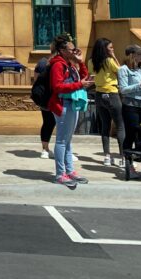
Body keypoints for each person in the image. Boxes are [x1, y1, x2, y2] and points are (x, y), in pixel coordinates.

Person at [48, 35, 92, 189]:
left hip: (71, 103)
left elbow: (84, 77)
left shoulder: (69, 64)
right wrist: (79, 85)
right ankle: (60, 174)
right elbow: (57, 87)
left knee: (67, 140)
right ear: (62, 50)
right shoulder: (58, 65)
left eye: (75, 49)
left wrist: (80, 61)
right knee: (61, 140)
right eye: (71, 49)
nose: (74, 51)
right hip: (63, 104)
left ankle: (69, 170)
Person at [117, 45, 141, 180]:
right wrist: (140, 85)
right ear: (132, 55)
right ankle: (129, 165)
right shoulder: (123, 69)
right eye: (140, 55)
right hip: (131, 106)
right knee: (131, 134)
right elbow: (123, 90)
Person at [90, 38, 125, 167]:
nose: (112, 49)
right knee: (120, 125)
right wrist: (114, 57)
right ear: (105, 49)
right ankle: (122, 157)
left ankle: (107, 156)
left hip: (99, 95)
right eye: (110, 48)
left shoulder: (91, 61)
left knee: (105, 125)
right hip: (112, 93)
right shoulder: (109, 61)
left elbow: (91, 74)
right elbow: (121, 72)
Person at [34, 45, 56, 159]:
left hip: (43, 97)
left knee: (47, 122)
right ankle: (49, 149)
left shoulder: (42, 62)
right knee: (54, 123)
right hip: (54, 97)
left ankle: (45, 148)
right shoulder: (58, 63)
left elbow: (35, 80)